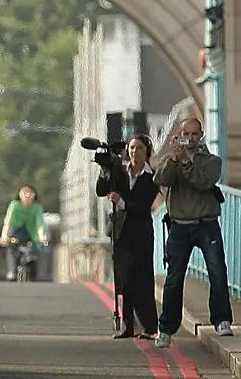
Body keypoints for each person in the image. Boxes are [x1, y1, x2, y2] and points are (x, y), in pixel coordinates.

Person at [153, 117, 233, 349]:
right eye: (185, 134)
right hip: (179, 225)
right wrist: (175, 159)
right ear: (179, 135)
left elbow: (203, 181)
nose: (189, 139)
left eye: (194, 134)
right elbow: (160, 179)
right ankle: (166, 328)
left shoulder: (211, 161)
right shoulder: (172, 160)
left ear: (201, 135)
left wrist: (187, 162)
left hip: (206, 224)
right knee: (173, 279)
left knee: (217, 271)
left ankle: (222, 319)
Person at [96, 134, 160, 339]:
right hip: (121, 231)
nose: (134, 152)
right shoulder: (120, 172)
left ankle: (150, 327)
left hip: (140, 232)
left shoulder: (152, 176)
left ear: (147, 152)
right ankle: (128, 326)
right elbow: (101, 190)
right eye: (132, 148)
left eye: (139, 148)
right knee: (124, 281)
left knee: (142, 280)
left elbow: (143, 206)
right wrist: (104, 169)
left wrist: (122, 202)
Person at [0, 184, 49, 281]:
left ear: (34, 195)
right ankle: (11, 271)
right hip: (16, 233)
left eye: (30, 192)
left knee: (37, 250)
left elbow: (39, 224)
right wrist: (4, 236)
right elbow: (8, 222)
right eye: (24, 192)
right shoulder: (14, 206)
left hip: (31, 234)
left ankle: (34, 270)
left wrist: (42, 236)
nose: (27, 195)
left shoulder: (37, 208)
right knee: (11, 247)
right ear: (19, 194)